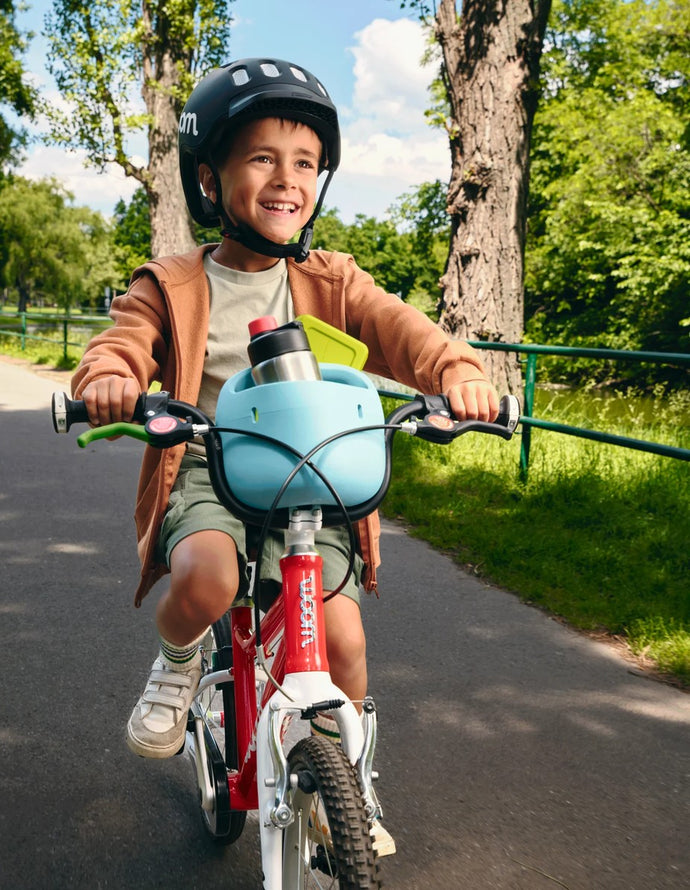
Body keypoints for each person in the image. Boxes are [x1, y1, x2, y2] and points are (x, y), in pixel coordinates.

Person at [72, 58, 498, 843]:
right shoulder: (173, 279)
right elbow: (123, 343)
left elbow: (409, 334)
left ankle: (349, 781)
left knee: (343, 642)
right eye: (262, 157)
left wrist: (459, 371)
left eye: (305, 162)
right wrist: (108, 378)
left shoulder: (335, 278)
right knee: (206, 577)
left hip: (313, 473)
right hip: (213, 461)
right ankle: (177, 659)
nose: (286, 178)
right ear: (211, 179)